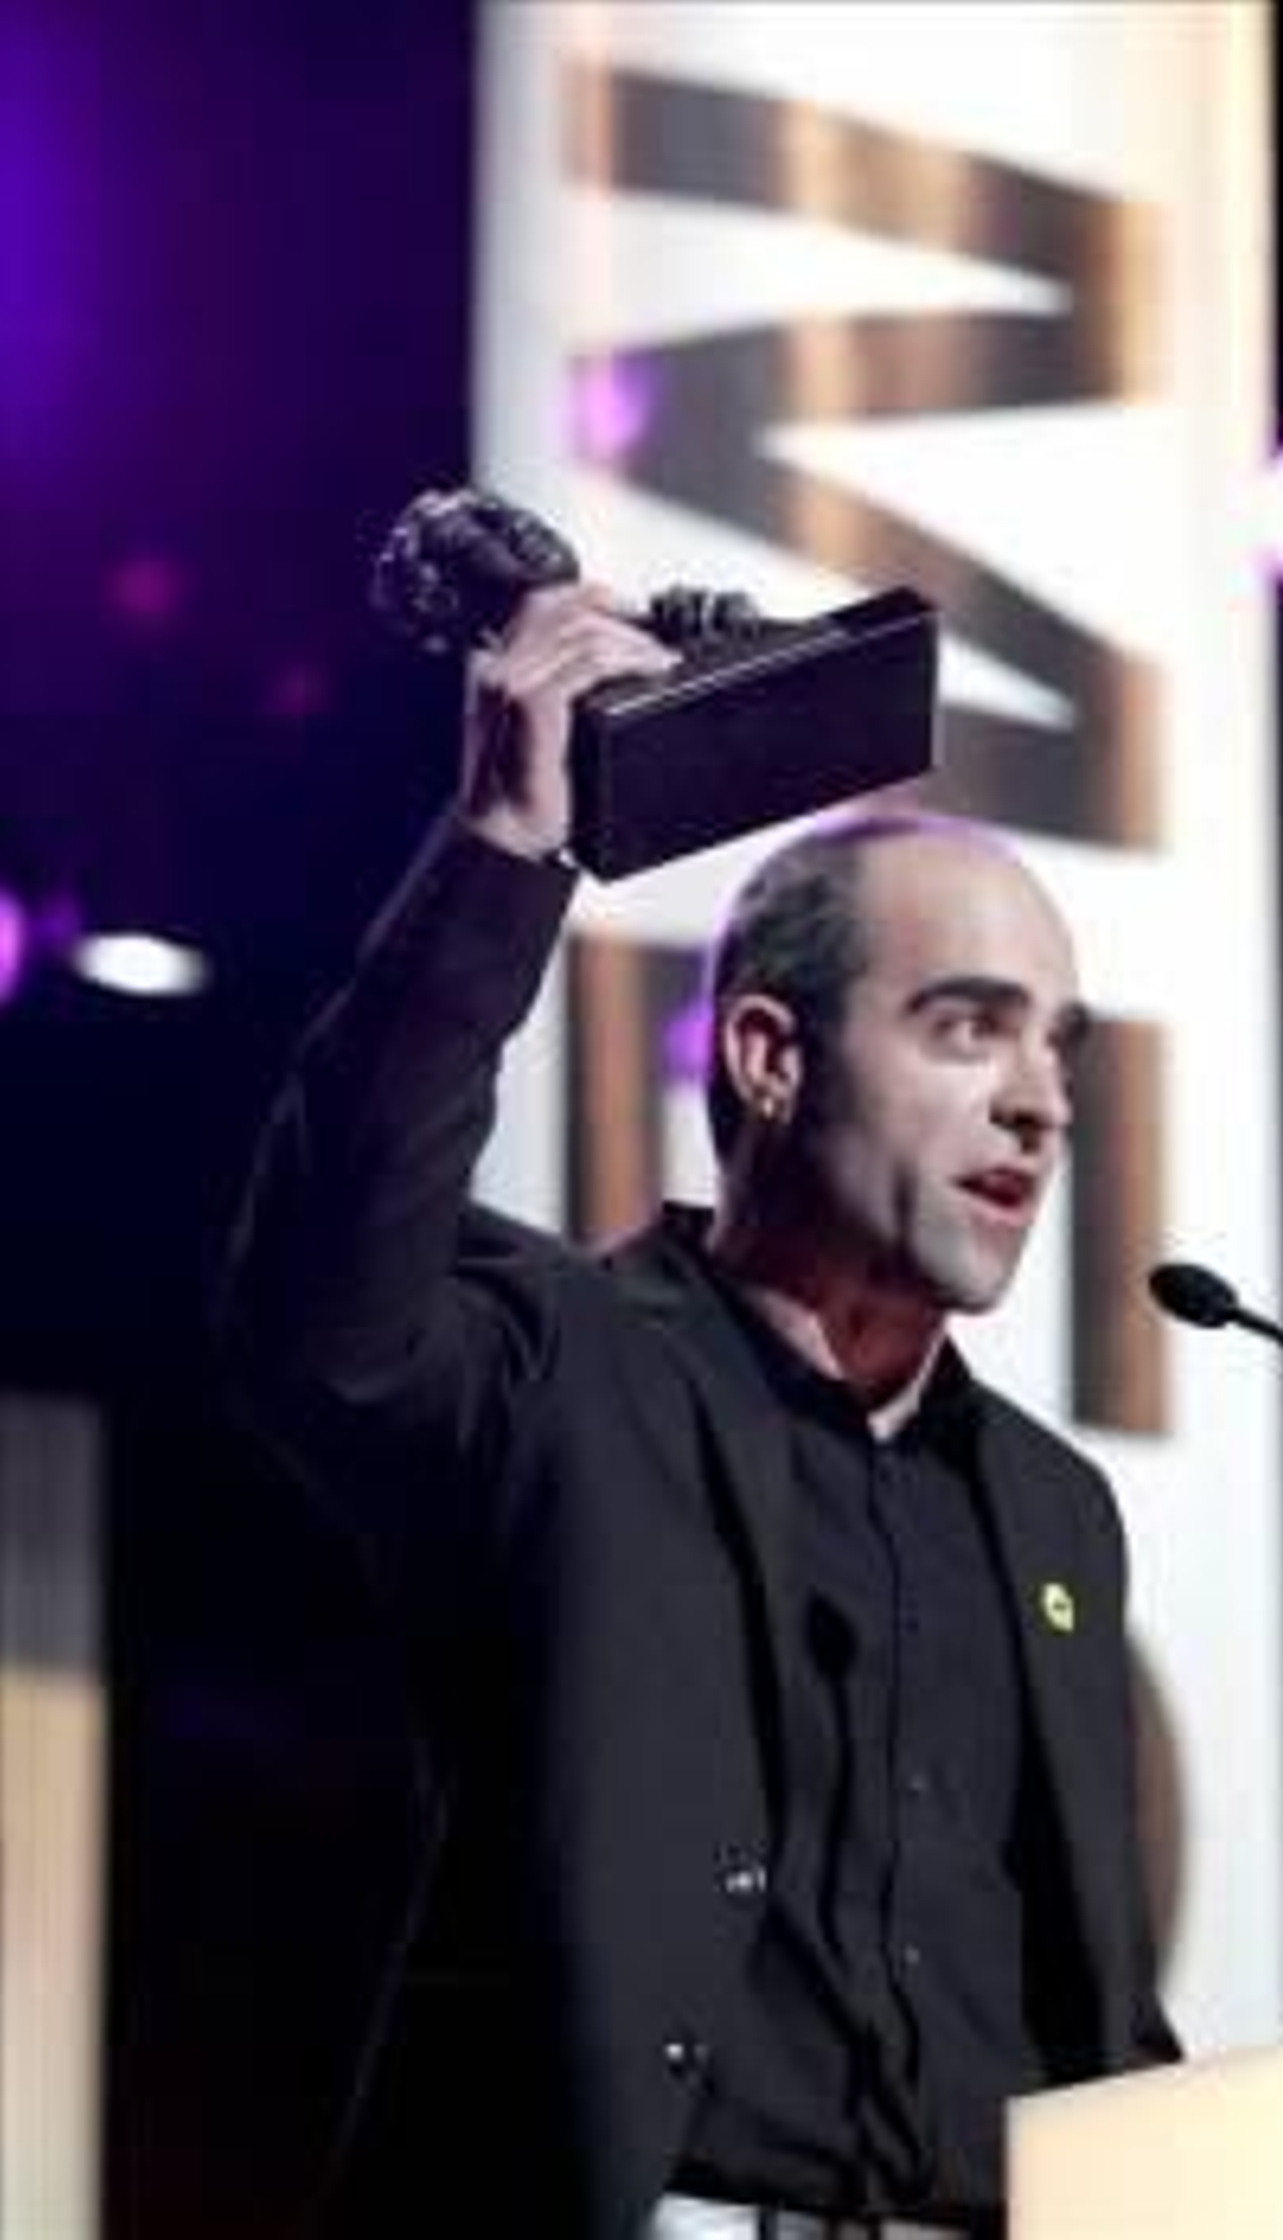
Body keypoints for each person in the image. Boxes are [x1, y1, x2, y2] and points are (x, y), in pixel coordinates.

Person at [220, 580, 1179, 2240]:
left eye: (1061, 1052)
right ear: (765, 1058)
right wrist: (503, 850)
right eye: (968, 1030)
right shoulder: (563, 1371)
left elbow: (1088, 2006)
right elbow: (321, 1309)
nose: (1039, 1103)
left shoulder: (1051, 1510)